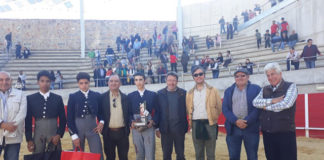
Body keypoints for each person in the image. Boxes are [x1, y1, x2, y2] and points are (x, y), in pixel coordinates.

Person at [253, 62, 298, 160]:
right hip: (267, 133)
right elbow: (255, 102)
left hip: (285, 132)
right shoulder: (265, 89)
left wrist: (265, 106)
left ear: (280, 74)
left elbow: (285, 104)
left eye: (272, 74)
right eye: (268, 75)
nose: (270, 77)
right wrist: (272, 101)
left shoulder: (291, 86)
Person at [222, 68, 261, 160]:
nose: (240, 78)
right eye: (237, 76)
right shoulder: (228, 91)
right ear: (234, 78)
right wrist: (236, 121)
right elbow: (225, 109)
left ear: (248, 77)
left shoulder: (256, 89)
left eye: (243, 75)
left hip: (250, 128)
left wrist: (246, 121)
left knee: (252, 157)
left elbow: (258, 108)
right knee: (233, 157)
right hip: (233, 128)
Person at [25, 70, 66, 155]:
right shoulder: (30, 98)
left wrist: (59, 135)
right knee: (37, 156)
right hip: (38, 135)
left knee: (55, 156)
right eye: (42, 81)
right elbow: (28, 120)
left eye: (47, 81)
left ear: (51, 82)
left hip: (54, 134)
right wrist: (29, 139)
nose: (45, 84)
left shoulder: (57, 98)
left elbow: (63, 119)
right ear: (38, 82)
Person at [186, 66, 222, 160]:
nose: (198, 76)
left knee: (211, 153)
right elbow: (188, 109)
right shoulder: (189, 93)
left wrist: (213, 117)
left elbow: (219, 108)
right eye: (196, 75)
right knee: (198, 153)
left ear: (204, 75)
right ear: (193, 77)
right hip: (196, 124)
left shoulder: (213, 90)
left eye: (200, 74)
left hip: (210, 123)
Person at [67, 72, 104, 160]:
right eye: (81, 83)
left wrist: (101, 122)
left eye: (86, 83)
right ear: (78, 84)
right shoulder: (73, 97)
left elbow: (101, 112)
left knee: (98, 154)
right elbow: (69, 118)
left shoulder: (96, 95)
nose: (84, 85)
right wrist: (74, 135)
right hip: (77, 129)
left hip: (93, 129)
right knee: (77, 156)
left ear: (89, 83)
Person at [155, 72, 188, 160]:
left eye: (174, 80)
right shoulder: (160, 94)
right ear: (166, 81)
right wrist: (157, 128)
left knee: (180, 155)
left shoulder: (183, 93)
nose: (171, 83)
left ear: (177, 81)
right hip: (165, 130)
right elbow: (157, 112)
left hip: (179, 129)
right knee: (166, 155)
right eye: (169, 80)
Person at [99, 74, 130, 160]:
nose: (114, 83)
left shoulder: (126, 98)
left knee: (124, 157)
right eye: (111, 81)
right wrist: (101, 121)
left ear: (120, 83)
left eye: (116, 81)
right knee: (110, 157)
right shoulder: (102, 98)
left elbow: (129, 114)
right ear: (108, 83)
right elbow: (99, 113)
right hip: (108, 133)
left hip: (123, 133)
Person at [128, 73, 157, 160]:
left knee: (150, 153)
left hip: (149, 124)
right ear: (134, 82)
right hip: (136, 126)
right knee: (138, 152)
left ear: (144, 80)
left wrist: (153, 121)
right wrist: (131, 122)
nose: (138, 82)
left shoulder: (153, 95)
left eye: (140, 79)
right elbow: (128, 112)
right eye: (136, 80)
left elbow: (158, 111)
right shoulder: (130, 96)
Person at [0, 71, 26, 160]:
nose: (4, 82)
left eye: (7, 79)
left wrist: (11, 126)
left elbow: (22, 113)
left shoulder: (21, 94)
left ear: (11, 81)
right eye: (1, 80)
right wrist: (2, 124)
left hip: (13, 135)